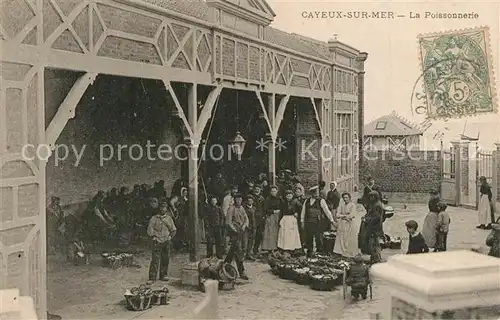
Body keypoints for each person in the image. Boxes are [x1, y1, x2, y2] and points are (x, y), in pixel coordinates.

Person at [147, 198, 177, 283]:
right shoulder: (154, 218)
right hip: (157, 240)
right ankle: (152, 278)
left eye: (164, 208)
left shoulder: (169, 219)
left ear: (166, 209)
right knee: (155, 260)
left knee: (165, 259)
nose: (162, 209)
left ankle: (163, 275)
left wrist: (170, 237)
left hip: (166, 241)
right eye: (161, 207)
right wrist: (153, 237)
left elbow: (173, 230)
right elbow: (150, 229)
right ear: (159, 208)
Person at [300, 186, 335, 257]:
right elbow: (303, 212)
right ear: (311, 193)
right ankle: (310, 252)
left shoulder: (321, 201)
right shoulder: (306, 201)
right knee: (309, 238)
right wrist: (302, 221)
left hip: (318, 223)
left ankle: (319, 252)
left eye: (317, 193)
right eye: (315, 193)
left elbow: (327, 211)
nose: (316, 194)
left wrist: (332, 220)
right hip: (308, 222)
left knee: (318, 238)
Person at [225, 193, 250, 280]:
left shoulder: (242, 208)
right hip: (234, 232)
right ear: (234, 200)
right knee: (238, 250)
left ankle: (225, 266)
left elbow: (246, 218)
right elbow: (228, 222)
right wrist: (235, 230)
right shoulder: (231, 208)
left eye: (240, 199)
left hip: (241, 231)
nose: (239, 201)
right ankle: (242, 271)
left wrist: (244, 225)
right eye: (237, 199)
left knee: (233, 251)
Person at [334, 192, 361, 258]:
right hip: (342, 224)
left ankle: (348, 252)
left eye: (346, 198)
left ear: (349, 198)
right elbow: (337, 215)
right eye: (344, 198)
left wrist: (343, 216)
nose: (345, 199)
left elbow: (352, 215)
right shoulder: (341, 205)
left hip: (349, 224)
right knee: (341, 238)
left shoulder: (352, 205)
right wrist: (345, 216)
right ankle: (340, 252)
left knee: (348, 238)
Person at [361, 191, 384, 263]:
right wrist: (365, 216)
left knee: (373, 244)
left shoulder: (377, 205)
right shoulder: (375, 204)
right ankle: (375, 258)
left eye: (372, 197)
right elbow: (370, 213)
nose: (370, 198)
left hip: (374, 228)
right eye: (370, 197)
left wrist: (366, 220)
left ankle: (376, 259)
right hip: (373, 227)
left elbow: (376, 218)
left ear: (375, 197)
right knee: (374, 243)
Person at [262, 186, 282, 252]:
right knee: (270, 232)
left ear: (277, 191)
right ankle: (270, 248)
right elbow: (265, 209)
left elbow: (283, 207)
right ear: (270, 192)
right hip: (271, 216)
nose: (273, 192)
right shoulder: (268, 199)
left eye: (274, 191)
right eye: (272, 191)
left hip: (278, 217)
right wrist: (273, 211)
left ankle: (277, 247)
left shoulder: (279, 199)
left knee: (277, 232)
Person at [251, 185, 266, 255]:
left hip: (260, 219)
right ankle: (249, 250)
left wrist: (263, 216)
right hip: (253, 218)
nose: (257, 190)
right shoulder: (251, 197)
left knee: (259, 235)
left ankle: (256, 250)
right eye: (256, 189)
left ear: (260, 190)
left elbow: (264, 208)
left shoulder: (262, 198)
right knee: (251, 235)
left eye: (258, 189)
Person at [243, 195, 257, 260]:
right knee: (245, 242)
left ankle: (249, 255)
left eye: (251, 200)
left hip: (253, 227)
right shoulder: (244, 209)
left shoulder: (254, 208)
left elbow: (256, 218)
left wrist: (255, 226)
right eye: (248, 201)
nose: (250, 202)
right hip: (246, 227)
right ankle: (243, 255)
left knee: (251, 242)